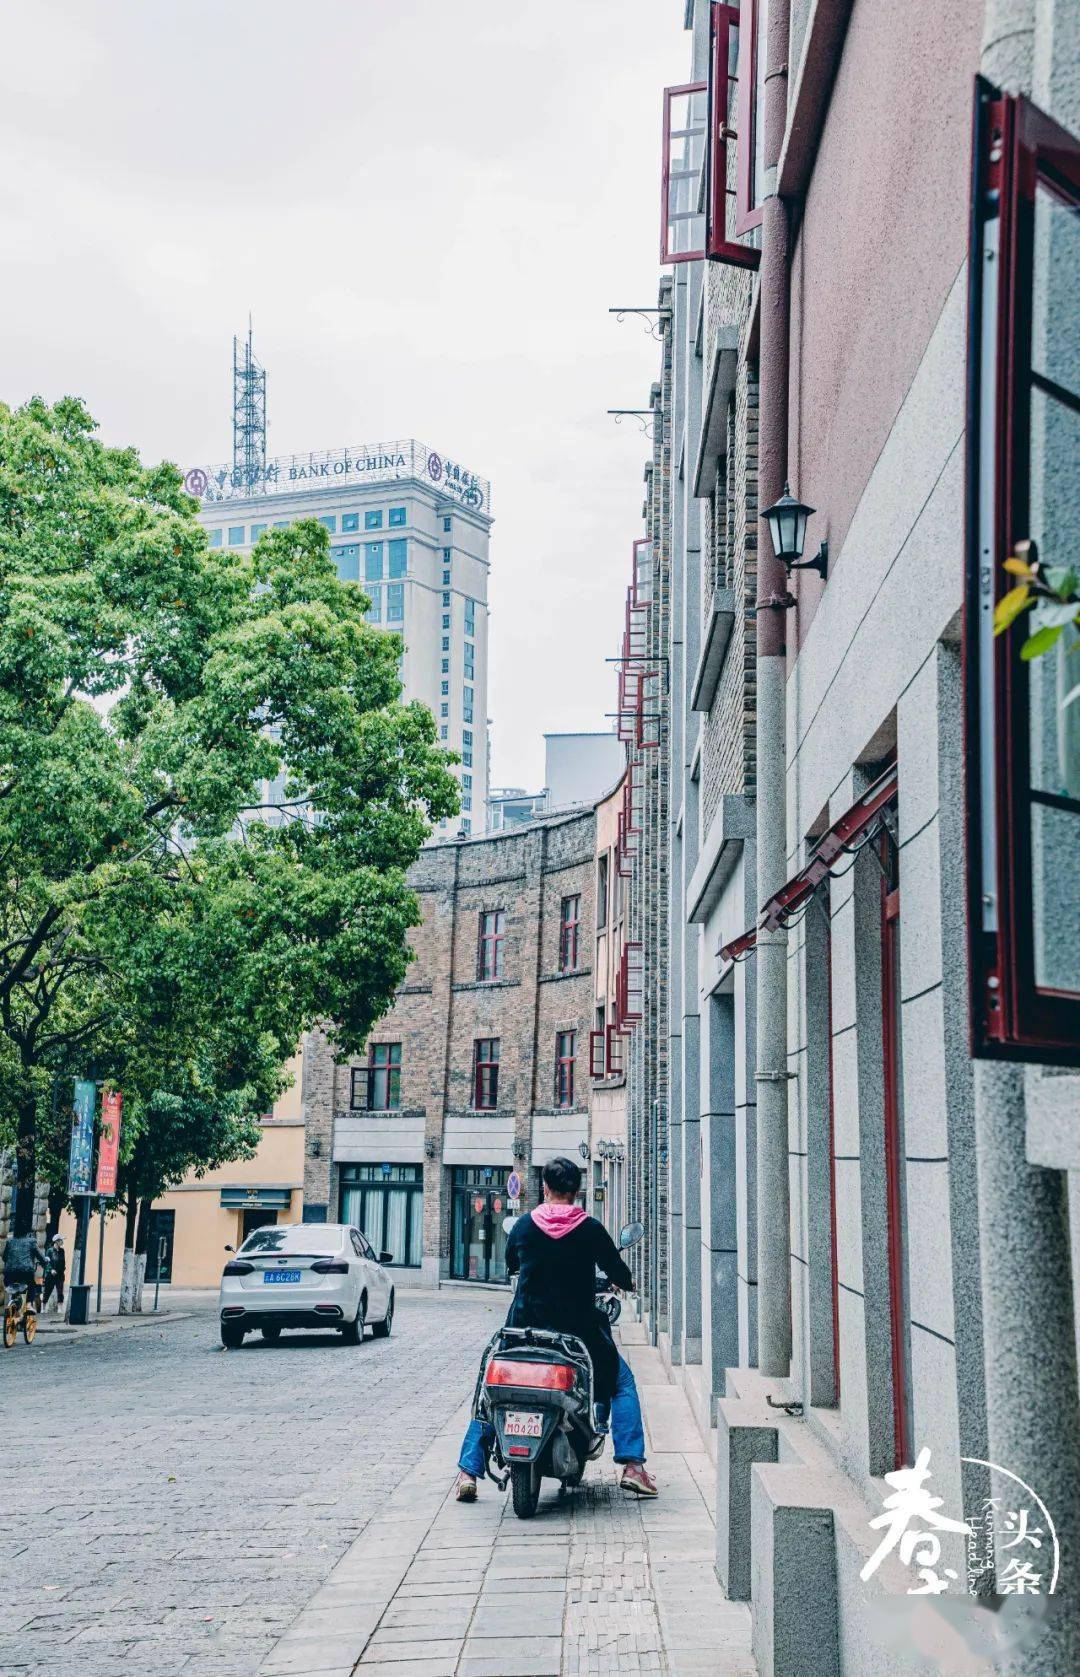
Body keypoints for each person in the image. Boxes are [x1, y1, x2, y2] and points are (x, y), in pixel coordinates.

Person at [455, 1156, 658, 1501]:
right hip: (578, 1336)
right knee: (621, 1382)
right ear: (577, 1191)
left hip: (524, 1330)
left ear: (545, 1188)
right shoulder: (590, 1228)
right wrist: (624, 1282)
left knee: (491, 1387)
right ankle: (633, 1467)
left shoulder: (522, 1226)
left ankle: (467, 1472)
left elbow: (513, 1264)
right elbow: (621, 1274)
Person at [2, 1229, 47, 1311]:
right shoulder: (31, 1241)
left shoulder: (9, 1241)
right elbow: (40, 1256)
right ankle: (29, 1305)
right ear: (27, 1232)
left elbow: (4, 1257)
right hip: (25, 1273)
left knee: (10, 1284)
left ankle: (12, 1303)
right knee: (32, 1285)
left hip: (9, 1274)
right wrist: (45, 1262)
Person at [42, 1235, 66, 1313]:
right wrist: (51, 1270)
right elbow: (46, 1262)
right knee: (47, 1291)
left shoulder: (62, 1251)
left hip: (60, 1275)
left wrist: (63, 1269)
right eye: (61, 1240)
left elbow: (63, 1262)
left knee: (60, 1292)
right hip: (50, 1275)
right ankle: (43, 1308)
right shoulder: (49, 1251)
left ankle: (60, 1309)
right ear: (56, 1242)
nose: (62, 1242)